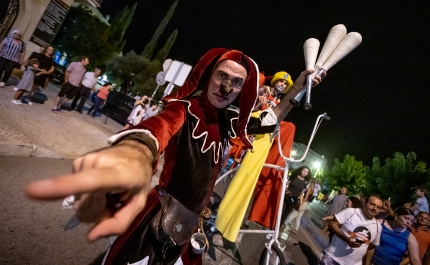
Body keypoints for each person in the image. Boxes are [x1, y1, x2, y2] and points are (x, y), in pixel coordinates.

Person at [25, 48, 323, 265]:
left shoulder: (231, 123)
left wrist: (299, 85)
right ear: (208, 76)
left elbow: (272, 118)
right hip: (158, 218)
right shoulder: (184, 110)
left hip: (191, 226)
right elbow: (155, 130)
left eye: (236, 82)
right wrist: (132, 157)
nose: (226, 86)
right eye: (221, 75)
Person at [319, 195, 383, 265]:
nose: (374, 208)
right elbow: (332, 224)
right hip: (332, 258)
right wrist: (346, 239)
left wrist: (366, 263)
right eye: (372, 204)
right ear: (365, 203)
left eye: (378, 207)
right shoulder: (351, 212)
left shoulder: (378, 226)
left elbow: (371, 247)